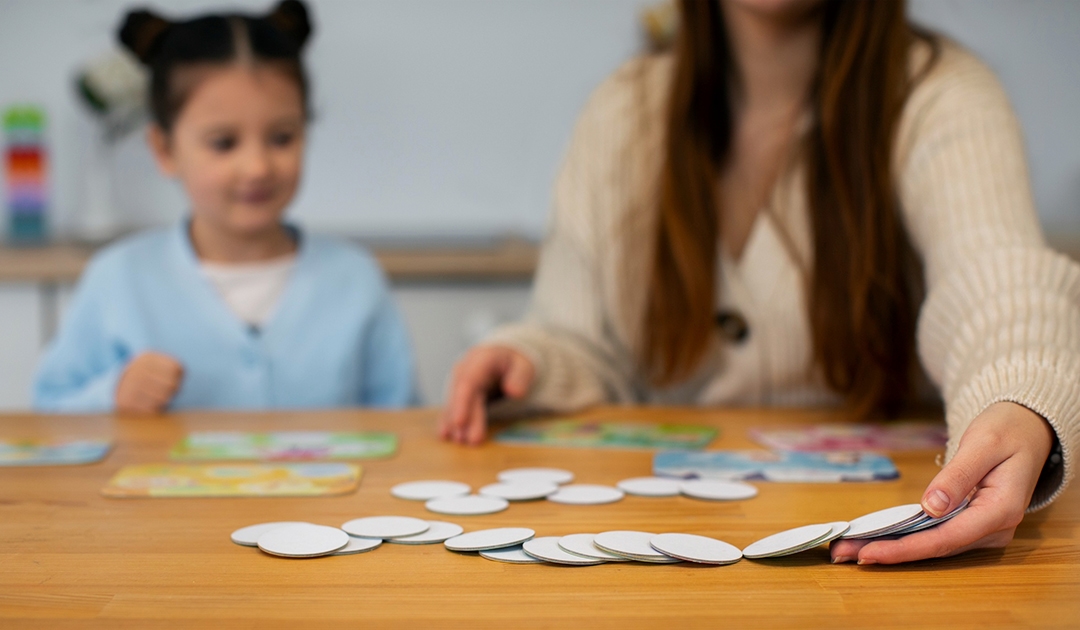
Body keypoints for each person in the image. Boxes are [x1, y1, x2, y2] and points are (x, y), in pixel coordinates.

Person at [439, 0, 1079, 565]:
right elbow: (581, 343)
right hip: (670, 544)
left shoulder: (941, 93)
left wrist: (1018, 398)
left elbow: (997, 279)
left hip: (871, 563)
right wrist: (531, 360)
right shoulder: (622, 112)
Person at [34, 0, 416, 413]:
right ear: (164, 149)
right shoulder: (117, 279)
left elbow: (404, 421)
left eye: (282, 137)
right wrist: (113, 395)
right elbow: (49, 413)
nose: (257, 167)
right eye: (223, 143)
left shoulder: (355, 279)